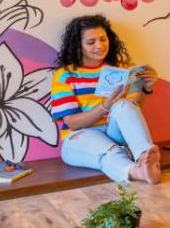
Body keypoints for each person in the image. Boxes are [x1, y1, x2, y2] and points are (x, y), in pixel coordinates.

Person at [49, 14, 162, 183]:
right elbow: (72, 123)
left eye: (103, 39)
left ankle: (144, 155)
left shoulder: (122, 69)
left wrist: (146, 89)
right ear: (78, 45)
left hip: (114, 133)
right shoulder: (65, 75)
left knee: (124, 104)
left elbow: (131, 111)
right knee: (112, 151)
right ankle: (137, 171)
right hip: (79, 137)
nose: (100, 46)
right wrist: (105, 106)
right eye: (91, 42)